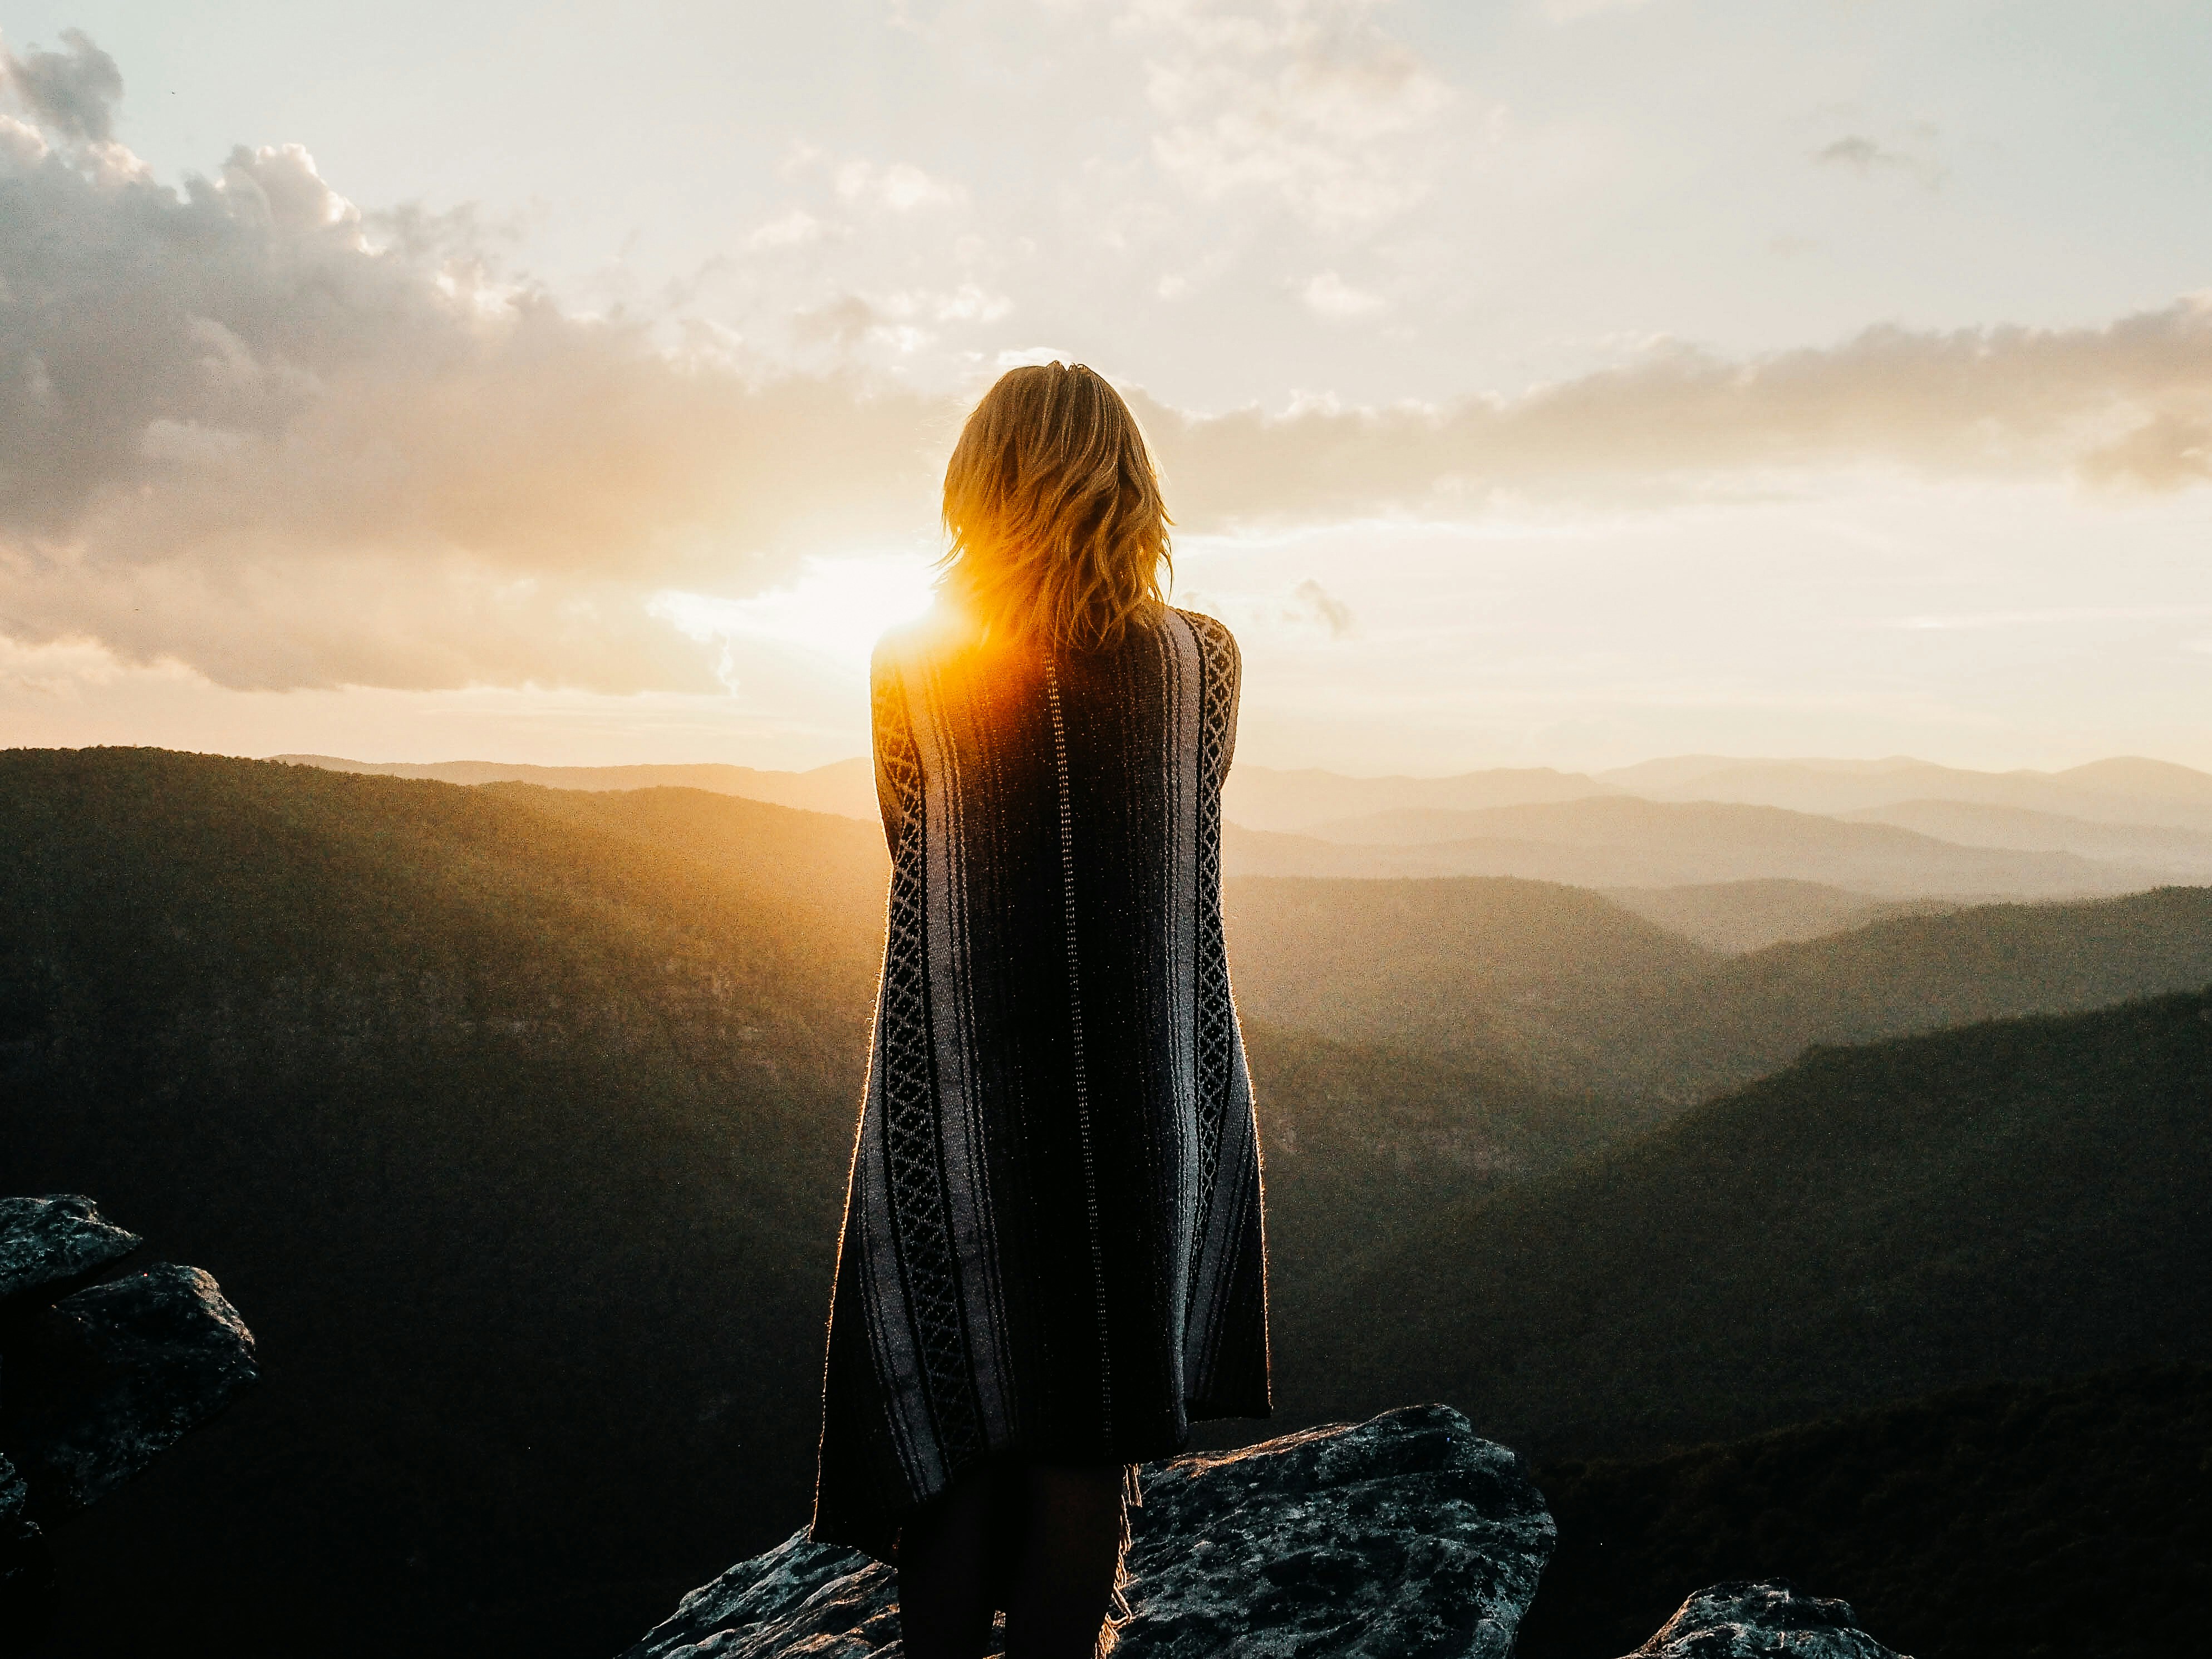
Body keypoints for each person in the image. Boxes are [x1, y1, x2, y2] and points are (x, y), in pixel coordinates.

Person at [810, 362, 1271, 1658]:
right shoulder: (1205, 662)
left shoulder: (912, 662)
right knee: (1089, 1429)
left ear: (975, 487)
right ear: (1132, 486)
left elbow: (910, 838)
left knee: (953, 1425)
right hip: (1144, 1093)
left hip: (951, 1095)